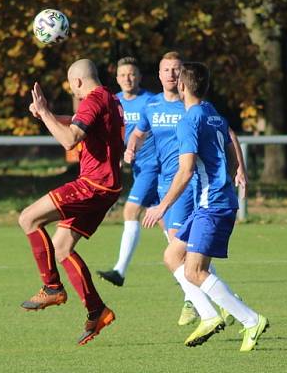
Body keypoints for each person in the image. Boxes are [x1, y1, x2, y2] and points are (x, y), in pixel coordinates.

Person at [142, 61, 268, 351]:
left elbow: (185, 171)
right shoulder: (211, 113)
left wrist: (162, 206)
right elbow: (231, 135)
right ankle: (210, 316)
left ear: (182, 86)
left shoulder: (189, 121)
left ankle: (251, 320)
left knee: (194, 272)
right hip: (211, 203)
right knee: (173, 255)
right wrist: (240, 168)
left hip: (212, 205)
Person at [18, 58, 124, 346]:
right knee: (62, 247)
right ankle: (97, 310)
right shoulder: (111, 99)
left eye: (71, 86)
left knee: (28, 218)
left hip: (93, 184)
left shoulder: (91, 100)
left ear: (77, 82)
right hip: (107, 187)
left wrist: (44, 112)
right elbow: (80, 125)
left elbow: (69, 140)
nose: (72, 92)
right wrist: (48, 115)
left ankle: (52, 287)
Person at [96, 57, 158, 287]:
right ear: (117, 78)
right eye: (123, 75)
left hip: (154, 166)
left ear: (139, 77)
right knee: (170, 231)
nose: (127, 78)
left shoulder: (151, 102)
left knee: (130, 211)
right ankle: (198, 283)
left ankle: (119, 271)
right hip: (140, 169)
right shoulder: (115, 102)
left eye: (132, 74)